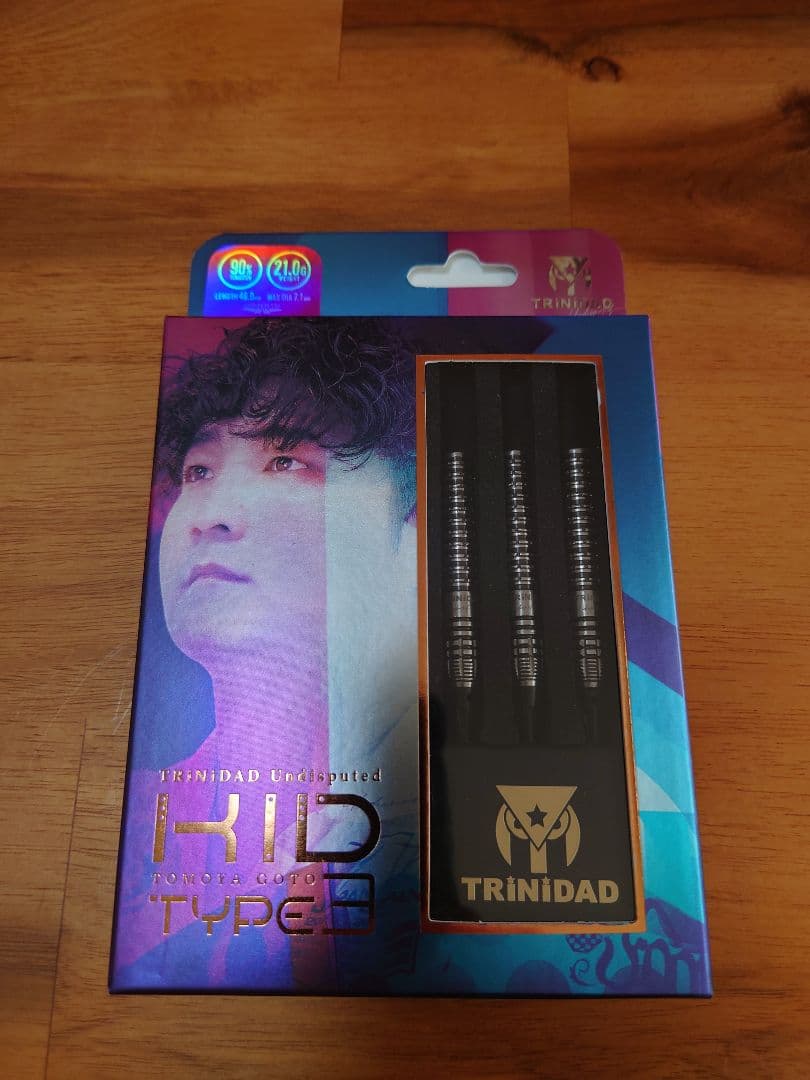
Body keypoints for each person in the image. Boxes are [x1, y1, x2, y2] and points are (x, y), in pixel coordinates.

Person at [112, 316, 420, 990]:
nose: (209, 514)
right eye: (198, 470)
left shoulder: (458, 817)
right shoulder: (134, 830)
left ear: (412, 531)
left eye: (287, 462)